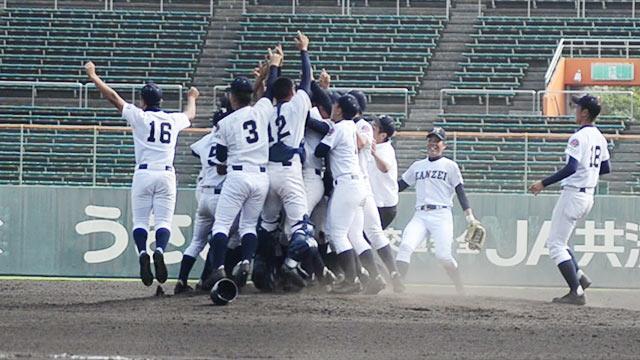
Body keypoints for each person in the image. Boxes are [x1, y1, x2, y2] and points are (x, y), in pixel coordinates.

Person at [84, 61, 199, 287]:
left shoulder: (140, 116)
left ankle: (142, 253)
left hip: (144, 174)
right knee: (164, 221)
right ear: (161, 100)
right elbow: (191, 114)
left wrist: (93, 76)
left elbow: (114, 98)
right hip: (166, 175)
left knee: (140, 221)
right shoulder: (172, 119)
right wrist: (192, 96)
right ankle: (159, 250)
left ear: (143, 101)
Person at [529, 94, 610, 306]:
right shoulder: (599, 136)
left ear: (584, 113)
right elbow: (606, 168)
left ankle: (577, 292)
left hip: (574, 194)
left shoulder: (579, 137)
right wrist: (588, 173)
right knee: (561, 243)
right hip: (588, 195)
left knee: (555, 245)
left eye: (578, 107)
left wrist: (543, 183)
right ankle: (581, 278)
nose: (575, 109)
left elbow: (571, 168)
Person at [396, 127, 479, 295]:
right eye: (430, 140)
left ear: (444, 145)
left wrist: (469, 216)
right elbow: (400, 186)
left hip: (441, 214)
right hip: (420, 214)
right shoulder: (417, 166)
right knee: (405, 246)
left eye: (437, 141)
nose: (433, 144)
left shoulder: (450, 166)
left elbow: (460, 191)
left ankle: (459, 287)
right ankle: (397, 288)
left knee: (443, 256)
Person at [368, 115, 399, 230]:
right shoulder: (373, 145)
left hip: (384, 206)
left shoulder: (386, 149)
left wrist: (374, 154)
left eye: (375, 127)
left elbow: (385, 167)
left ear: (383, 135)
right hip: (373, 202)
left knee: (368, 238)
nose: (371, 128)